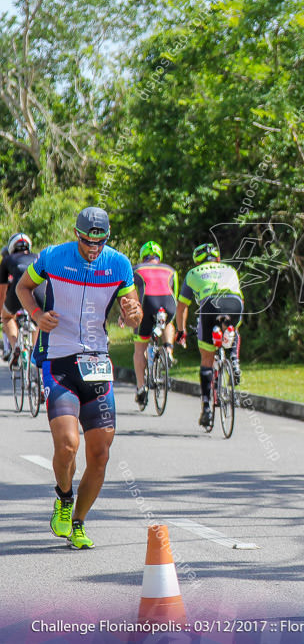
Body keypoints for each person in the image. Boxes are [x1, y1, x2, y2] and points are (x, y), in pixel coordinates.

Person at [17, 207, 142, 549]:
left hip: (97, 363)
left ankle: (79, 522)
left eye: (99, 242)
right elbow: (23, 287)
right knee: (68, 444)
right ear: (77, 234)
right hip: (58, 359)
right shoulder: (53, 257)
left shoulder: (119, 264)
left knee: (100, 454)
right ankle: (63, 496)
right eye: (87, 241)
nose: (92, 248)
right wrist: (37, 314)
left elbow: (133, 314)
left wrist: (134, 312)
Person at [175, 243, 244, 430]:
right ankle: (234, 359)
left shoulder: (193, 273)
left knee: (207, 359)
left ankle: (206, 408)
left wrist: (181, 331)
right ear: (218, 258)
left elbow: (182, 306)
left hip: (209, 305)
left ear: (197, 261)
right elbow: (241, 297)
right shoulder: (229, 269)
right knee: (233, 328)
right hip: (234, 303)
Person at [131, 241, 179, 408]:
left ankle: (140, 387)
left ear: (143, 256)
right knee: (168, 321)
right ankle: (168, 350)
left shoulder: (137, 269)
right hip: (169, 303)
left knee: (139, 350)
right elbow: (175, 293)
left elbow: (130, 294)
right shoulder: (171, 270)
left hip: (147, 304)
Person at [0, 233, 46, 366]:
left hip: (18, 290)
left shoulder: (7, 260)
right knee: (39, 319)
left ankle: (16, 347)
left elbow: (2, 291)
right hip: (39, 290)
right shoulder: (38, 257)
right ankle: (36, 351)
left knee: (7, 317)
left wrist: (1, 312)